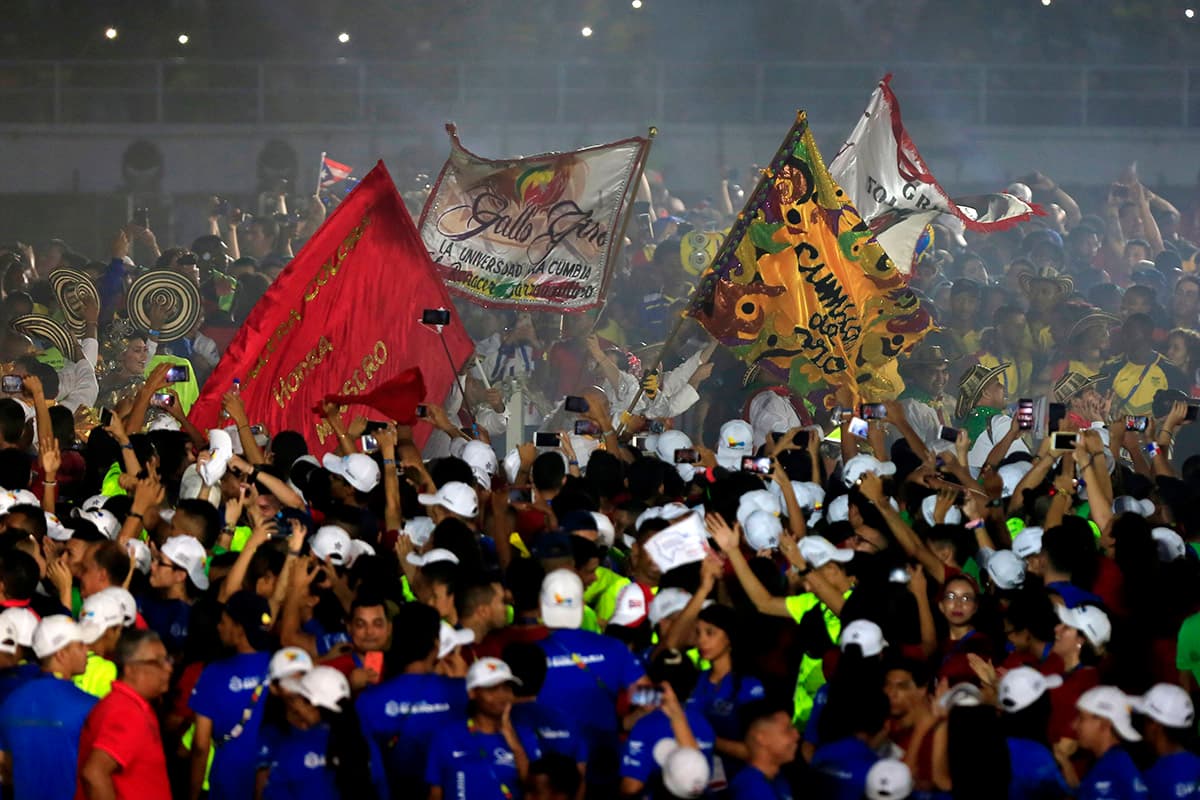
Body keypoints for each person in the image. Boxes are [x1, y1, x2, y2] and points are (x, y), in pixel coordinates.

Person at [357, 603, 468, 799]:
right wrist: (463, 682)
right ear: (436, 645)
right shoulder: (461, 692)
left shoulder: (367, 701)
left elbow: (372, 771)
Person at [188, 591, 274, 800]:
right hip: (273, 779)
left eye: (224, 622)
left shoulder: (213, 674)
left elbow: (200, 746)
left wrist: (191, 795)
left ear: (240, 629)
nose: (219, 627)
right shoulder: (282, 667)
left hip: (229, 780)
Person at [0, 615, 96, 800]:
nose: (87, 649)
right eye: (80, 645)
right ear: (61, 653)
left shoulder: (11, 702)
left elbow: (4, 765)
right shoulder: (91, 706)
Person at [424, 657, 540, 800]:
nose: (501, 696)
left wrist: (514, 744)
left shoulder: (524, 735)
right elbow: (435, 793)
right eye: (492, 689)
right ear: (472, 693)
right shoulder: (447, 736)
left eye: (506, 688)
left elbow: (536, 790)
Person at [76, 629, 173, 799]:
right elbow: (94, 774)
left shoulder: (128, 704)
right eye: (158, 662)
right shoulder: (126, 711)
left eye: (167, 660)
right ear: (130, 669)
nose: (169, 668)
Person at [257, 666, 374, 800]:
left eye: (299, 697)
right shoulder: (363, 743)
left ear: (310, 704)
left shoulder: (289, 750)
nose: (295, 703)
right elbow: (381, 788)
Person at [1071, 686, 1150, 799]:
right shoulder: (1121, 761)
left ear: (1104, 723)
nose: (1074, 725)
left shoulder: (1106, 774)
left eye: (1081, 718)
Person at [1133, 683, 1200, 800]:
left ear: (1155, 725)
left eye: (1145, 719)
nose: (1142, 726)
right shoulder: (1197, 764)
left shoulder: (1150, 780)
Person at [729, 700, 798, 800]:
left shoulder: (779, 779)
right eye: (787, 730)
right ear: (762, 738)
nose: (796, 735)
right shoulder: (751, 792)